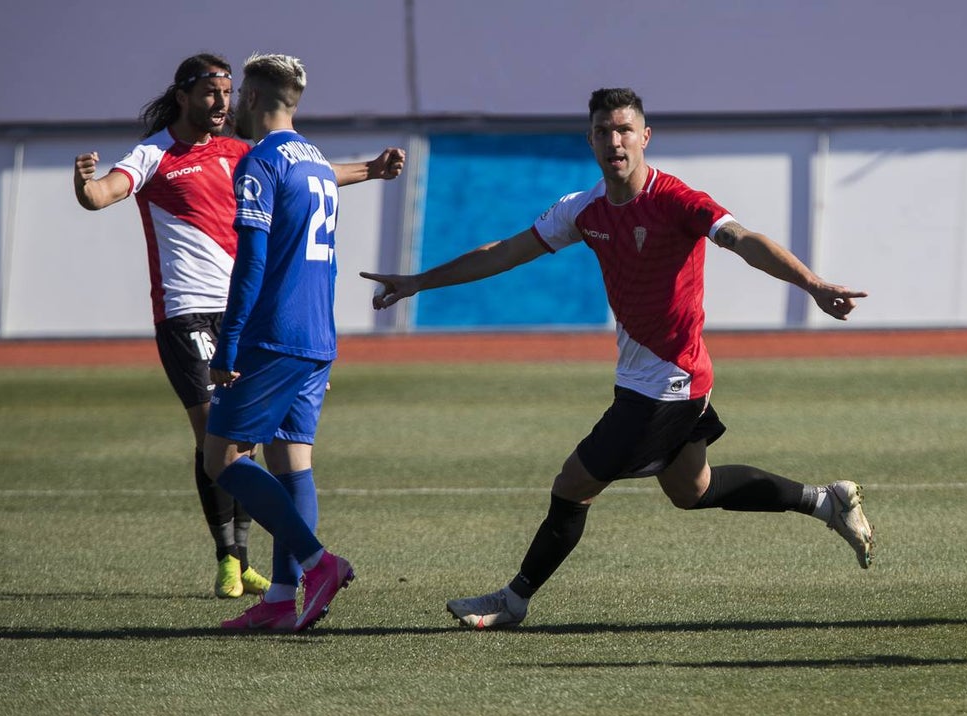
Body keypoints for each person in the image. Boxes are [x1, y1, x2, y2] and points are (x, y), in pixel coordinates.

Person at [362, 87, 873, 630]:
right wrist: (419, 281)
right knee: (691, 490)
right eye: (604, 131)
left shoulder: (677, 200)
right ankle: (825, 501)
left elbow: (743, 238)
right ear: (590, 140)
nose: (615, 141)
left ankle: (512, 601)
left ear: (645, 137)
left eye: (625, 130)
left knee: (573, 484)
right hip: (651, 380)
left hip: (668, 384)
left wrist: (812, 284)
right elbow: (507, 252)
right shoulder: (584, 210)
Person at [73, 52, 405, 600]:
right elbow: (105, 193)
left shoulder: (244, 153)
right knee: (225, 443)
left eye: (228, 92)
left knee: (236, 453)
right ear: (182, 95)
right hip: (189, 312)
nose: (221, 103)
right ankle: (235, 558)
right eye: (210, 93)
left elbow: (300, 180)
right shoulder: (155, 152)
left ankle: (283, 574)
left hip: (247, 314)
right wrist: (88, 188)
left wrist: (369, 169)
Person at [203, 52, 391, 632]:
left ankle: (317, 562)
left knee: (222, 459)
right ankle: (282, 599)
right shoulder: (313, 162)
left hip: (274, 333)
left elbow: (253, 258)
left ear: (253, 98)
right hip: (316, 332)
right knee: (291, 462)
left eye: (239, 95)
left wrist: (229, 342)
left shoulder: (259, 162)